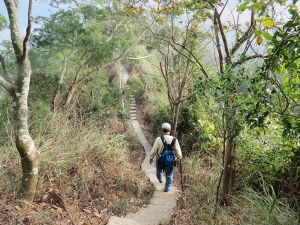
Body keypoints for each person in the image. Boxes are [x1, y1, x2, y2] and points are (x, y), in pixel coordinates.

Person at [150, 123, 182, 192]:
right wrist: (178, 158)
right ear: (170, 130)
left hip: (160, 159)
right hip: (170, 160)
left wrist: (151, 157)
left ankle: (160, 178)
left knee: (158, 172)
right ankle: (167, 188)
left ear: (163, 130)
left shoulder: (158, 139)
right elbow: (179, 153)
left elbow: (154, 150)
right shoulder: (175, 140)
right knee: (169, 175)